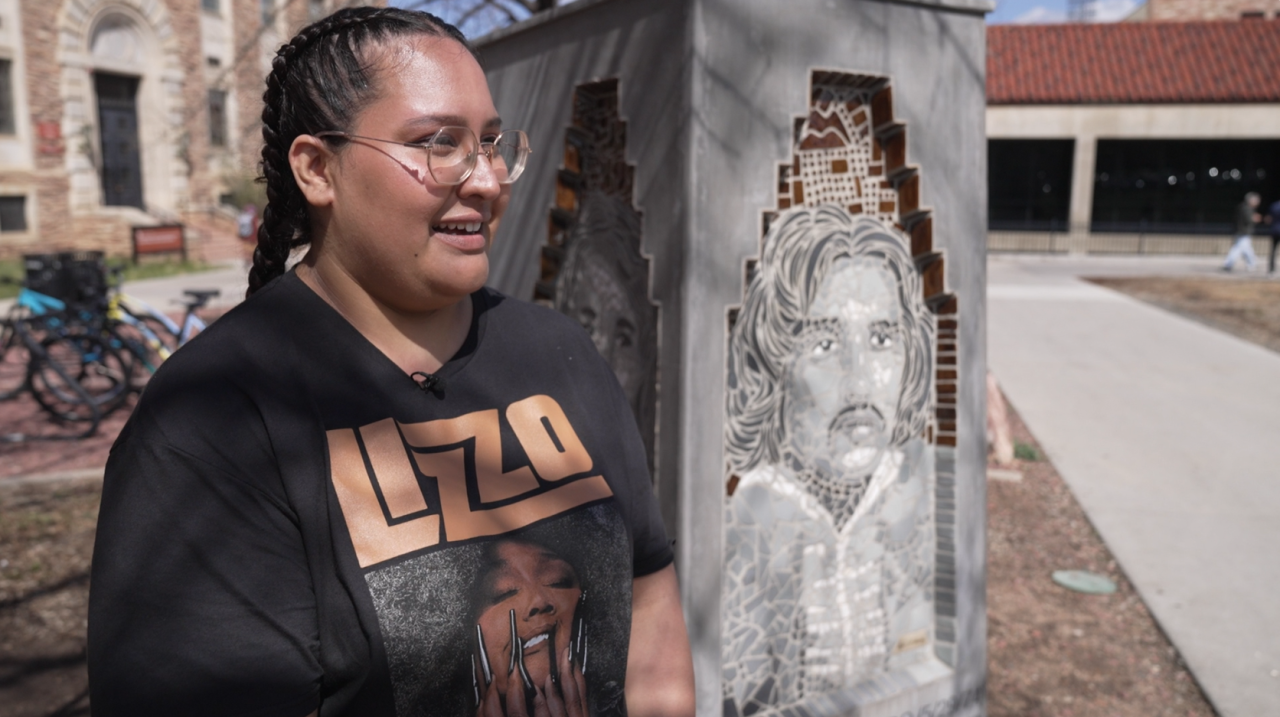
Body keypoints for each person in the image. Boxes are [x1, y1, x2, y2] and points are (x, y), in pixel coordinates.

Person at [86, 8, 694, 717]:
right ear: (318, 169)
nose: (487, 180)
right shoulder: (213, 423)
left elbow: (649, 590)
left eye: (490, 143)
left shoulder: (559, 353)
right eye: (439, 143)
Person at [722, 206, 940, 716]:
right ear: (775, 365)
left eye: (882, 339)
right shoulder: (751, 515)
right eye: (823, 343)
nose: (860, 382)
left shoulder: (911, 492)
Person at [1223, 192, 1262, 272]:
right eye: (1256, 200)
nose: (1257, 202)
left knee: (1245, 249)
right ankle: (1229, 264)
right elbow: (1249, 219)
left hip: (1241, 231)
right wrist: (1256, 218)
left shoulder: (1243, 207)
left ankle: (1251, 264)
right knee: (1239, 249)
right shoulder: (1246, 208)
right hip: (1243, 232)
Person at [1267, 195, 1280, 274]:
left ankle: (1271, 268)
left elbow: (1268, 219)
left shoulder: (1274, 206)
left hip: (1274, 230)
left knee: (1273, 250)